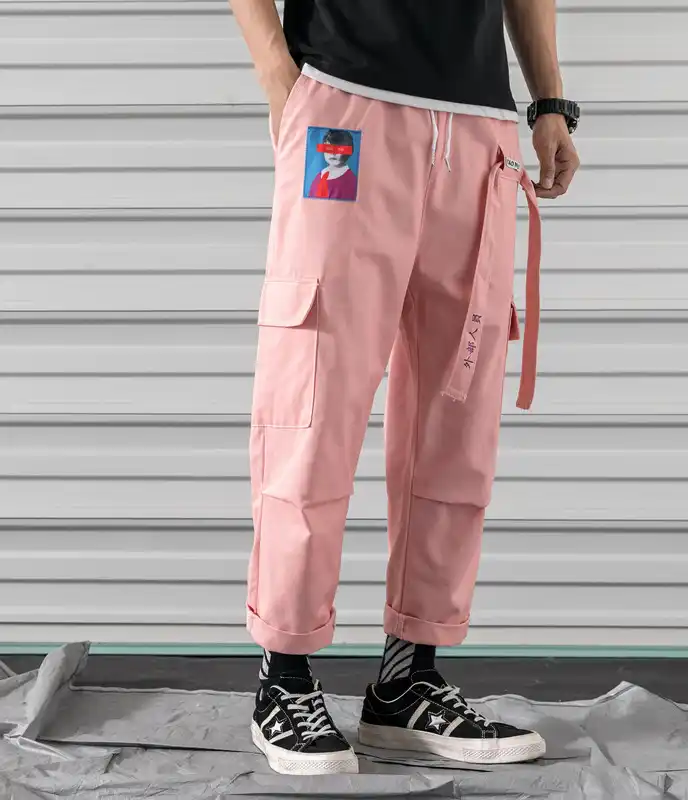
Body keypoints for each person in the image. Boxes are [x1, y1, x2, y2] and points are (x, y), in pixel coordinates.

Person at [229, 0, 580, 776]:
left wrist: (549, 100)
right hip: (346, 110)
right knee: (315, 397)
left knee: (457, 417)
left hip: (480, 128)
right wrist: (277, 74)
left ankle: (407, 680)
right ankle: (283, 675)